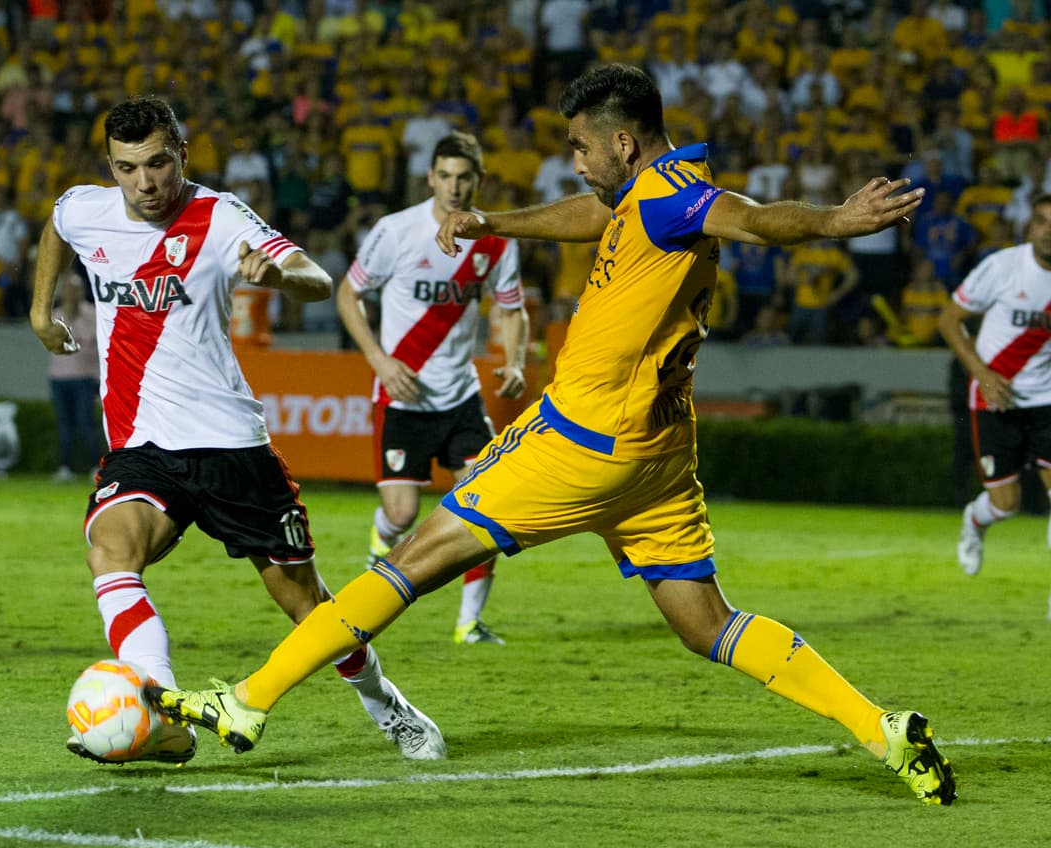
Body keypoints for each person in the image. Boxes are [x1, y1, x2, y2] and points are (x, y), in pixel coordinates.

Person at [150, 65, 957, 807]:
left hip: (580, 444)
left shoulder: (678, 196)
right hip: (658, 456)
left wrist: (834, 220)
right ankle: (879, 727)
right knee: (706, 622)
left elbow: (758, 221)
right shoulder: (656, 189)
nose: (573, 161)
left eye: (579, 146)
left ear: (622, 141)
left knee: (412, 558)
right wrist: (493, 222)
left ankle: (249, 700)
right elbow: (597, 212)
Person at [29, 95, 445, 766]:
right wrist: (39, 309)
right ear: (110, 167)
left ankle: (385, 703)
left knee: (305, 603)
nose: (144, 182)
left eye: (159, 163)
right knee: (110, 552)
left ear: (182, 156)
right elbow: (56, 224)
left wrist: (277, 273)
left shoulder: (218, 216)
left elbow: (317, 276)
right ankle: (159, 711)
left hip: (229, 447)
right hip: (141, 447)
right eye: (127, 168)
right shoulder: (87, 208)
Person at [339, 131, 529, 645]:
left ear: (478, 180)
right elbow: (348, 294)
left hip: (461, 395)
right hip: (402, 395)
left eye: (465, 177)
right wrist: (379, 361)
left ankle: (469, 624)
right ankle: (382, 544)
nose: (455, 186)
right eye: (445, 175)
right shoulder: (396, 230)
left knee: (485, 508)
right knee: (402, 514)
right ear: (430, 178)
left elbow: (511, 309)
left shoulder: (494, 239)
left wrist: (512, 360)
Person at [939, 193, 1051, 612]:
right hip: (994, 399)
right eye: (1042, 220)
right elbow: (949, 320)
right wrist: (982, 375)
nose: (1049, 230)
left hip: (1047, 401)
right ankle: (975, 520)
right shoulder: (1002, 267)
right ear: (1030, 228)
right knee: (1007, 505)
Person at [48, 264, 101, 483]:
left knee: (86, 422)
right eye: (68, 290)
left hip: (85, 376)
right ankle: (64, 467)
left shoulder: (92, 314)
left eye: (75, 290)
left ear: (81, 292)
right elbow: (53, 343)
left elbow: (91, 342)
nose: (71, 294)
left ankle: (95, 466)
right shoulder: (57, 315)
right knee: (65, 424)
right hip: (59, 377)